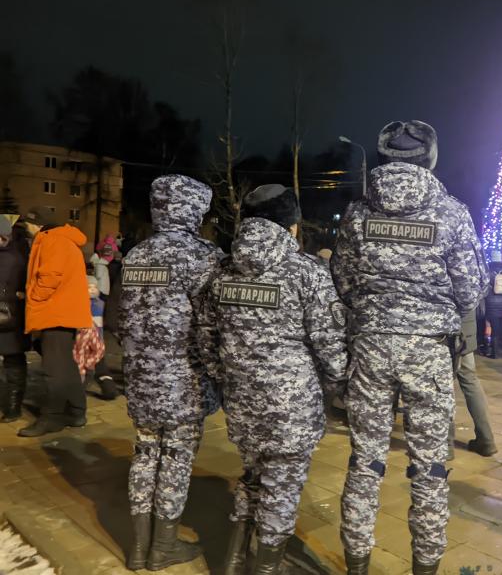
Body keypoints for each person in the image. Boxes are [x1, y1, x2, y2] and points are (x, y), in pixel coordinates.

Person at [331, 120, 488, 574]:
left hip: (371, 350)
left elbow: (341, 281)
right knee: (430, 470)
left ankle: (357, 565)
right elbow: (470, 289)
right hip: (428, 353)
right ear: (430, 158)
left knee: (365, 461)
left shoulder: (359, 212)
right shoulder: (452, 213)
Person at [201, 185, 347, 574]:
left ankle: (232, 561)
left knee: (251, 477)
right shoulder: (307, 273)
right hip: (291, 408)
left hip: (241, 402)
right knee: (282, 488)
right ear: (293, 227)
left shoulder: (219, 271)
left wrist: (226, 381)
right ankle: (266, 567)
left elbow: (206, 337)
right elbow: (330, 346)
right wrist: (339, 387)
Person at [120, 175, 223, 571]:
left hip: (140, 378)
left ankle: (137, 548)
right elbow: (210, 327)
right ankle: (162, 547)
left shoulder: (136, 255)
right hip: (184, 381)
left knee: (145, 454)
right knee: (176, 459)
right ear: (195, 209)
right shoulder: (202, 256)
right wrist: (217, 375)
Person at [18, 207, 92, 437]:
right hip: (64, 313)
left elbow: (49, 276)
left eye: (27, 226)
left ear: (36, 224)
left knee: (53, 370)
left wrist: (33, 297)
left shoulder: (52, 240)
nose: (27, 231)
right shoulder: (63, 239)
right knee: (66, 367)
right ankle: (77, 411)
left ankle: (53, 417)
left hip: (55, 313)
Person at [448, 309, 496, 458]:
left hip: (443, 328)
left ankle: (446, 445)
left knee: (442, 385)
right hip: (466, 330)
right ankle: (487, 440)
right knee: (470, 381)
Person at [0, 218, 29, 423]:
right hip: (11, 316)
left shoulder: (9, 259)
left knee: (13, 362)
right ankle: (12, 408)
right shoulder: (14, 255)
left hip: (8, 318)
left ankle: (12, 408)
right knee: (14, 361)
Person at [484, 252, 502, 359]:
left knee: (494, 329)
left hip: (492, 304)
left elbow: (484, 286)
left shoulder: (487, 269)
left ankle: (495, 353)